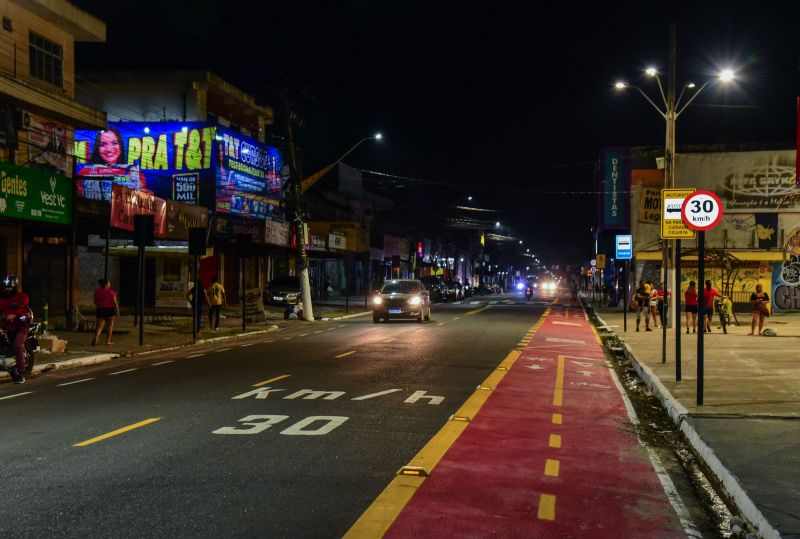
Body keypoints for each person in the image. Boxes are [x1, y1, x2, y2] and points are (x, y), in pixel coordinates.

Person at [0, 274, 31, 384]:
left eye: (9, 287)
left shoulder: (22, 296)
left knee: (17, 345)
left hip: (20, 325)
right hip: (5, 324)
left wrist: (14, 315)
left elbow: (22, 307)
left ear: (15, 287)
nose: (7, 289)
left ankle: (21, 374)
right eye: (5, 287)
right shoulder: (1, 299)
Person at [92, 279, 119, 345]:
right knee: (109, 326)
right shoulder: (111, 292)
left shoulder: (97, 292)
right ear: (106, 284)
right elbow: (115, 303)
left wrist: (100, 305)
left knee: (99, 326)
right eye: (109, 283)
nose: (110, 284)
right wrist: (117, 311)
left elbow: (95, 302)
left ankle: (96, 337)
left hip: (101, 310)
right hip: (110, 310)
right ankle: (108, 341)